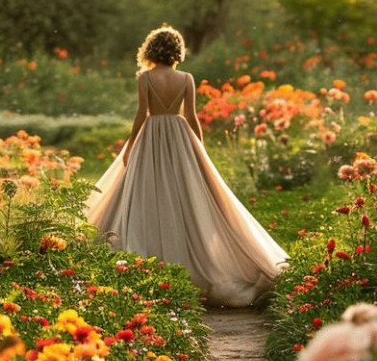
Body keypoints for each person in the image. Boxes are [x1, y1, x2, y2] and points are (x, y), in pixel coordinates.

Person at [85, 25, 287, 306]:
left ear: (151, 50)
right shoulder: (187, 78)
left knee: (149, 192)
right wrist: (199, 149)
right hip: (180, 137)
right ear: (176, 51)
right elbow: (191, 117)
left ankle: (151, 255)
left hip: (152, 138)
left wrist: (130, 146)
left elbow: (141, 116)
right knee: (184, 195)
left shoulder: (145, 78)